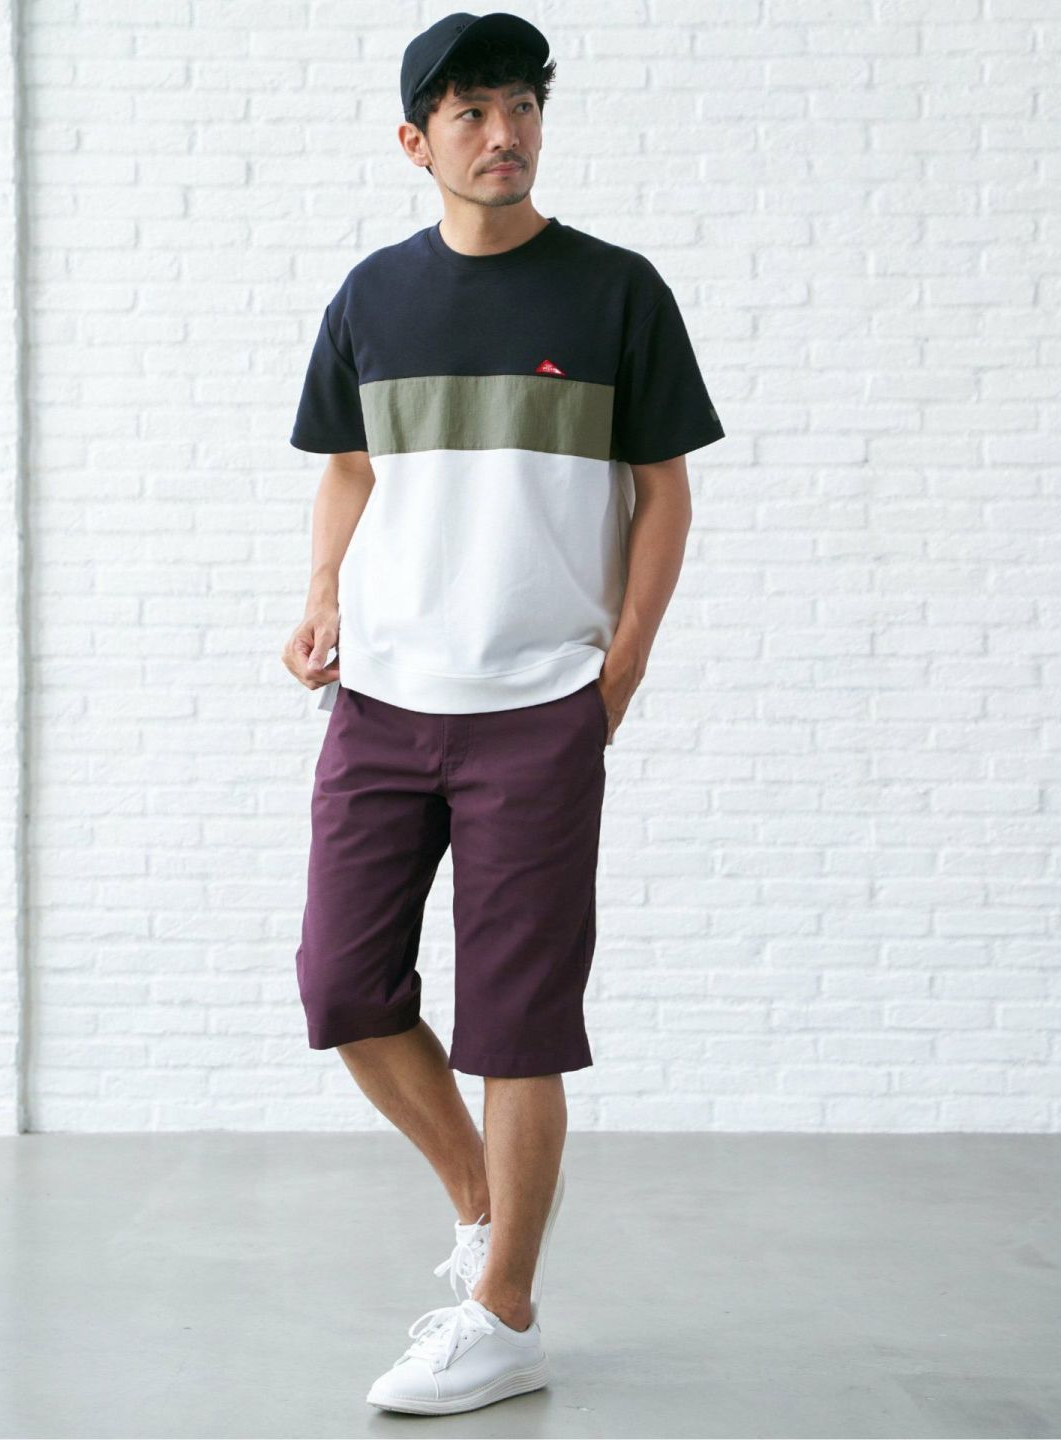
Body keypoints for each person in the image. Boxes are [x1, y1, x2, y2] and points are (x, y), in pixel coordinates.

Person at [280, 10, 725, 1417]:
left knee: (517, 1023)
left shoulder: (617, 292)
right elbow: (350, 467)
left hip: (539, 705)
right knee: (343, 986)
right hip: (380, 698)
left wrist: (621, 668)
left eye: (521, 104)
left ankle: (507, 1315)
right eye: (469, 110)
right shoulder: (372, 294)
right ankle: (488, 1216)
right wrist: (321, 596)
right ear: (417, 142)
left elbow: (664, 489)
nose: (503, 131)